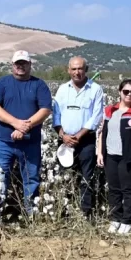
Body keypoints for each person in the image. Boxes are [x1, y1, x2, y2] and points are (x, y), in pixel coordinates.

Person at [0, 50, 53, 216]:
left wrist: (26, 126)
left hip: (30, 142)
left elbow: (45, 110)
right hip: (3, 141)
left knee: (31, 179)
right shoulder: (2, 83)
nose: (20, 66)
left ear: (30, 65)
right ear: (12, 65)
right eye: (18, 63)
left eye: (24, 63)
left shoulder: (39, 85)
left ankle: (31, 215)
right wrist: (16, 123)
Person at [52, 56, 103, 217]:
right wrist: (63, 134)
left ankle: (85, 212)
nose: (77, 72)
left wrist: (79, 135)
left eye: (80, 68)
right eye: (73, 69)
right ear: (68, 70)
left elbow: (96, 117)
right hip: (64, 141)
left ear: (86, 70)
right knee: (65, 176)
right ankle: (64, 210)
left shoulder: (95, 89)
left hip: (86, 141)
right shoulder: (62, 89)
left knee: (87, 177)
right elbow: (56, 114)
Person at [97, 79, 131, 235]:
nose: (129, 94)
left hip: (130, 156)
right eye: (126, 92)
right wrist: (100, 152)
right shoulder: (109, 110)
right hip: (111, 155)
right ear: (120, 92)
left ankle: (128, 220)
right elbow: (102, 132)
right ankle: (115, 218)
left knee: (128, 190)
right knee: (114, 189)